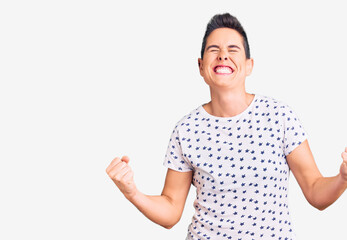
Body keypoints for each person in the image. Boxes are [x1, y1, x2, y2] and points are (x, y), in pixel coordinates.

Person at [106, 13, 347, 240]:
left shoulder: (279, 117)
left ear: (249, 65)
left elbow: (316, 193)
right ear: (201, 66)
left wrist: (342, 178)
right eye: (214, 50)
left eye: (233, 49)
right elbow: (171, 211)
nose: (223, 56)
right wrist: (132, 193)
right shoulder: (186, 130)